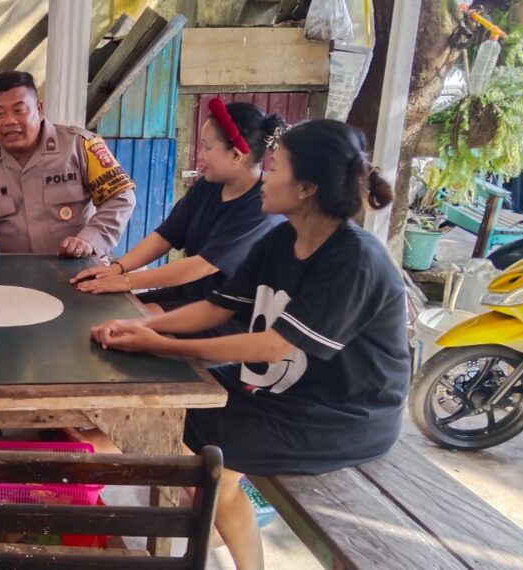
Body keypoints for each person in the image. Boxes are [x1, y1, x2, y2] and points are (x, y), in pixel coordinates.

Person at [90, 120, 408, 569]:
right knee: (177, 424)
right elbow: (216, 307)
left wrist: (159, 344)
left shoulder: (353, 260)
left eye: (274, 168)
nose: (264, 175)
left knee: (187, 440)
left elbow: (271, 348)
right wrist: (137, 324)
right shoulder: (282, 238)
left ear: (306, 188)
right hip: (283, 394)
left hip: (341, 417)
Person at [72, 99, 284, 324]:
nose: (200, 154)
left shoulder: (261, 208)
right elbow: (165, 236)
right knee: (100, 308)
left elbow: (201, 265)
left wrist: (125, 281)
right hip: (188, 295)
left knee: (120, 323)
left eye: (207, 147)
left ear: (236, 156)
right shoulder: (208, 186)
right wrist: (117, 268)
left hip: (225, 314)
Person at [0, 71, 137, 260]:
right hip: (18, 280)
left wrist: (89, 240)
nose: (9, 121)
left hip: (81, 271)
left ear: (39, 110)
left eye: (19, 110)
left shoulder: (80, 145)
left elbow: (120, 198)